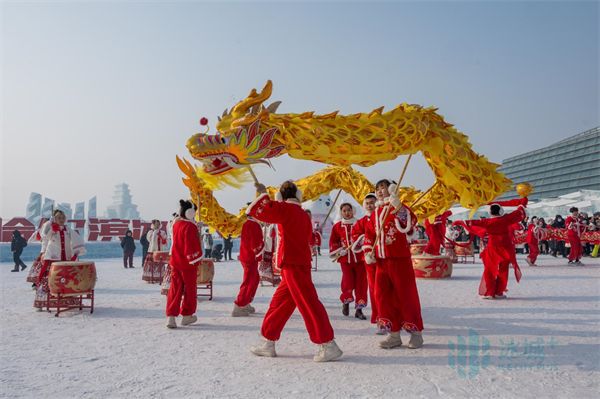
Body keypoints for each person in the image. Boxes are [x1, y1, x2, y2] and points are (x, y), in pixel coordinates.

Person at [247, 181, 342, 362]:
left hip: (291, 263)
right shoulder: (302, 214)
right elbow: (309, 238)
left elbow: (257, 211)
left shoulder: (284, 209)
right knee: (280, 303)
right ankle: (268, 341)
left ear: (281, 197)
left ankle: (327, 344)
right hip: (298, 262)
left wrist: (260, 193)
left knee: (309, 303)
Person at [362, 179, 424, 349]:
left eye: (383, 188)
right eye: (377, 189)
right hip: (381, 263)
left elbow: (410, 225)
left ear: (391, 189)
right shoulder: (375, 213)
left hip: (399, 261)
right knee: (383, 297)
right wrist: (368, 252)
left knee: (406, 296)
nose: (380, 191)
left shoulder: (398, 207)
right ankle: (394, 334)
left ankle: (416, 333)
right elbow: (369, 235)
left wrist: (399, 208)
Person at [455, 198, 527, 300]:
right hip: (506, 248)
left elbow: (470, 223)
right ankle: (499, 292)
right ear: (501, 211)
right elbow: (520, 211)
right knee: (503, 270)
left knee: (489, 269)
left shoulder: (487, 222)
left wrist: (460, 222)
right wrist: (523, 201)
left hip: (493, 248)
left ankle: (490, 292)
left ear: (490, 212)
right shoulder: (506, 219)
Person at [34, 210, 86, 310]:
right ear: (54, 219)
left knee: (67, 279)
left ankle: (69, 301)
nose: (61, 220)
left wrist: (76, 251)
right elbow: (45, 237)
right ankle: (41, 303)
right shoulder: (51, 228)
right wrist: (52, 228)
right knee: (48, 279)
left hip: (65, 258)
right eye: (59, 218)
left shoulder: (68, 229)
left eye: (63, 218)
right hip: (52, 258)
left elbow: (77, 239)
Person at [166, 200, 202, 329]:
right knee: (190, 290)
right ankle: (187, 315)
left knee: (175, 289)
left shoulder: (176, 224)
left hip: (175, 262)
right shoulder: (190, 227)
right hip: (188, 264)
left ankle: (171, 317)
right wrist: (196, 258)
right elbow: (191, 246)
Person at [329, 203, 368, 320]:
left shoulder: (360, 224)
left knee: (361, 283)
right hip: (345, 260)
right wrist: (339, 250)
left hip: (360, 258)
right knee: (347, 281)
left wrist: (361, 244)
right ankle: (346, 302)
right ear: (341, 212)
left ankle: (359, 309)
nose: (347, 213)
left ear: (353, 211)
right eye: (344, 211)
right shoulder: (337, 227)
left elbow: (366, 237)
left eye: (349, 210)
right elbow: (333, 241)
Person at [351, 193, 382, 331]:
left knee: (385, 288)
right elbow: (355, 236)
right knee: (374, 288)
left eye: (372, 202)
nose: (370, 205)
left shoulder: (383, 217)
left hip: (384, 257)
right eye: (367, 203)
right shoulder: (361, 222)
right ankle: (378, 316)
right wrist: (366, 240)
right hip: (369, 259)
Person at [232, 215, 264, 317]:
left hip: (247, 256)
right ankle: (239, 304)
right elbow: (255, 243)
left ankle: (245, 302)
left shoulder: (248, 223)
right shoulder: (253, 225)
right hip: (250, 257)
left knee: (254, 279)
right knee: (249, 281)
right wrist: (260, 253)